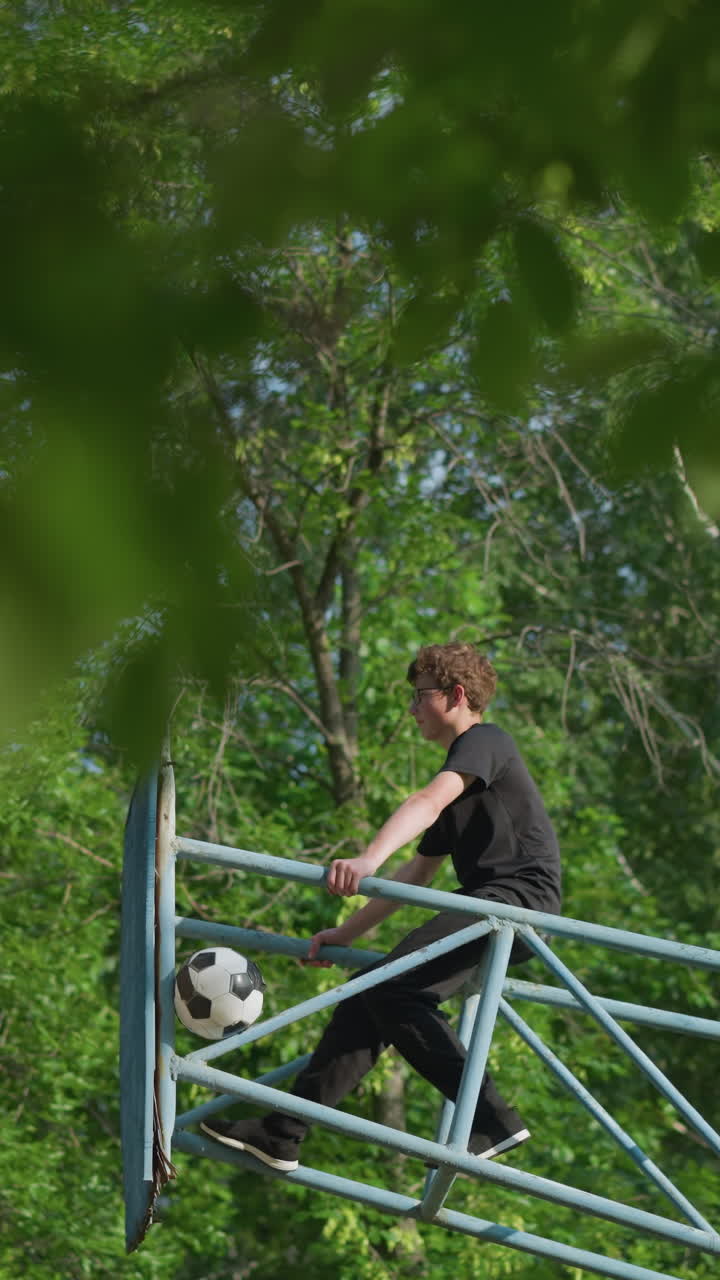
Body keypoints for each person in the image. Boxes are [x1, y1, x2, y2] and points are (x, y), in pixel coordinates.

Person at [200, 642, 562, 1172]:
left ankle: (491, 1120)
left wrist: (367, 857)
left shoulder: (486, 743)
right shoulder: (465, 779)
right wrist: (345, 934)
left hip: (518, 904)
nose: (412, 709)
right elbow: (417, 873)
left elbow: (425, 801)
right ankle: (282, 1134)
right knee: (369, 995)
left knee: (395, 989)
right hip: (492, 907)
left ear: (456, 696)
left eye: (420, 697)